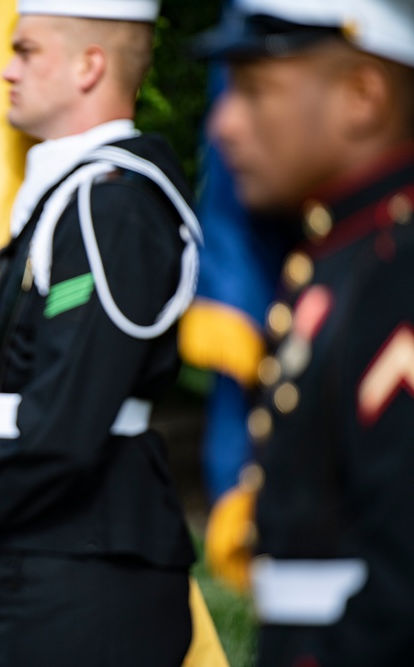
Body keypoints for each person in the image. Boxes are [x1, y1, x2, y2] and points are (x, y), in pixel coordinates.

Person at [0, 2, 203, 665]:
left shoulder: (108, 204)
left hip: (88, 563)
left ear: (90, 65)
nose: (4, 70)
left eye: (26, 51)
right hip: (55, 547)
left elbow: (69, 409)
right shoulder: (76, 196)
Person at [198, 1, 414, 664]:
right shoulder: (339, 257)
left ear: (361, 95)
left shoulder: (394, 272)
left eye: (256, 91)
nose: (224, 124)